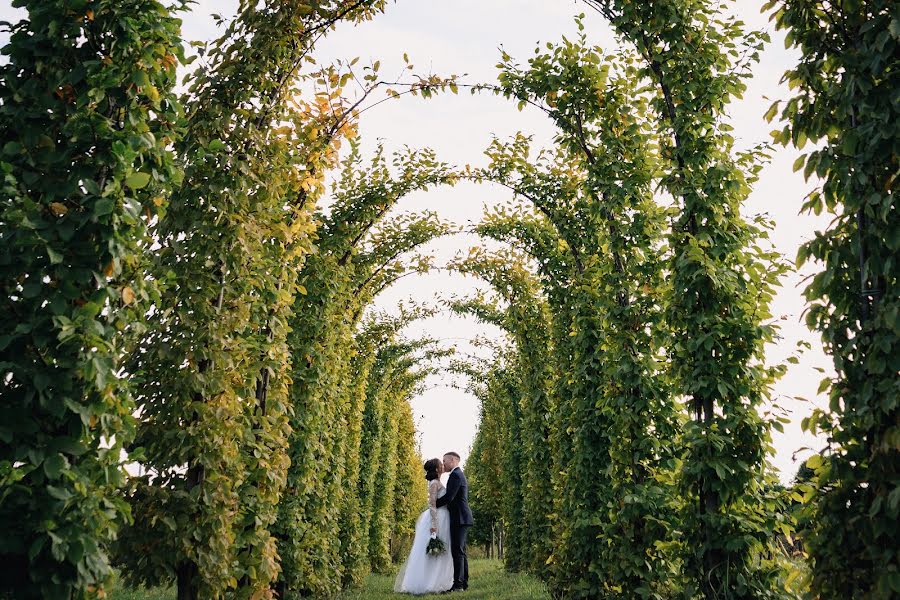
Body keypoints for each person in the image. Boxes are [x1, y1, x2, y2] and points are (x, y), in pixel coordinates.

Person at [394, 458, 454, 594]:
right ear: (437, 469)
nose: (443, 465)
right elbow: (432, 504)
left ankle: (440, 581)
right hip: (438, 518)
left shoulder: (438, 482)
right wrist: (434, 524)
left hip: (443, 516)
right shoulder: (434, 483)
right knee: (434, 552)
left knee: (442, 551)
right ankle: (430, 583)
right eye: (441, 464)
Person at [435, 451, 473, 592]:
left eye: (445, 461)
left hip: (459, 518)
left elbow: (449, 497)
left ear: (452, 460)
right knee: (460, 551)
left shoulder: (456, 475)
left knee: (457, 552)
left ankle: (458, 585)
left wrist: (434, 503)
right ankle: (463, 583)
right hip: (460, 517)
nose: (443, 464)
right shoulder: (457, 474)